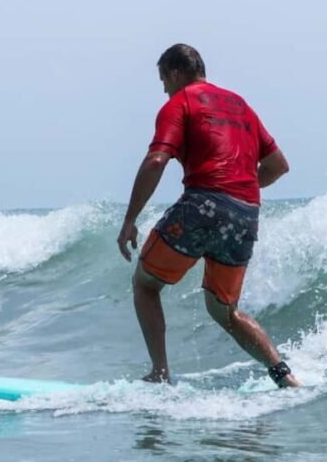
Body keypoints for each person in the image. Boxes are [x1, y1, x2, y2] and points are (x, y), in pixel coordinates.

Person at [117, 43, 300, 388]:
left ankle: (160, 374)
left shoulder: (179, 103)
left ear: (174, 72)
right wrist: (239, 190)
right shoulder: (241, 106)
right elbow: (278, 166)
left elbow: (156, 160)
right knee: (225, 312)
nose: (164, 90)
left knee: (145, 284)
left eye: (163, 81)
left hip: (203, 203)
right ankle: (286, 378)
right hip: (246, 213)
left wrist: (130, 220)